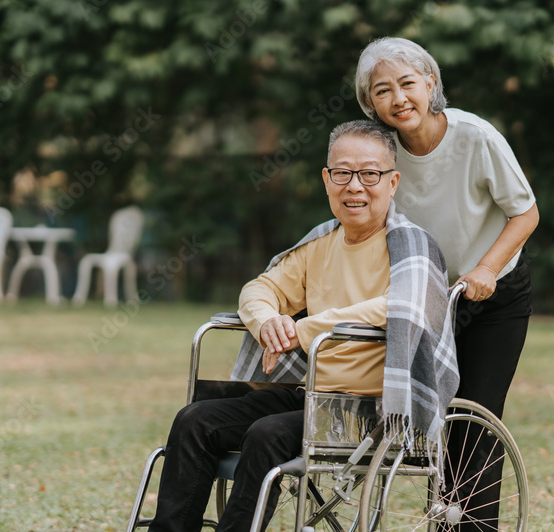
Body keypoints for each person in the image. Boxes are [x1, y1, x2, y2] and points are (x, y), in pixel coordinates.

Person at [148, 120, 457, 532]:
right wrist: (268, 322)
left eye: (369, 173)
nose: (355, 186)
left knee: (265, 434)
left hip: (369, 410)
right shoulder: (319, 244)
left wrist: (305, 328)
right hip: (309, 396)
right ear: (327, 180)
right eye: (342, 173)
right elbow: (259, 288)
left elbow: (401, 306)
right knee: (193, 421)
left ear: (393, 181)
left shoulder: (412, 247)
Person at [355, 37, 540, 530]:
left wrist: (484, 268)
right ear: (369, 101)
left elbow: (525, 212)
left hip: (494, 293)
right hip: (427, 299)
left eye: (408, 84)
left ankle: (472, 526)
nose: (398, 99)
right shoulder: (380, 151)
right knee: (429, 418)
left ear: (431, 83)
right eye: (382, 91)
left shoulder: (475, 136)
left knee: (473, 419)